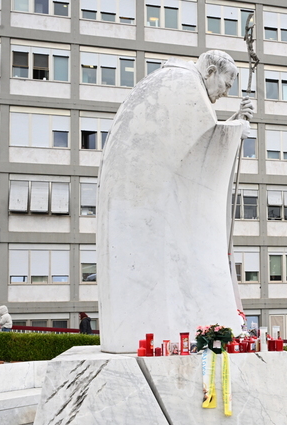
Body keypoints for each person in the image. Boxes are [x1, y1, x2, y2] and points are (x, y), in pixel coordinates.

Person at [96, 50, 255, 353]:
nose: (228, 90)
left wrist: (235, 121)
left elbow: (195, 144)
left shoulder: (179, 83)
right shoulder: (181, 85)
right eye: (227, 81)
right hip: (147, 216)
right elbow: (199, 147)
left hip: (149, 212)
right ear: (210, 70)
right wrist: (237, 129)